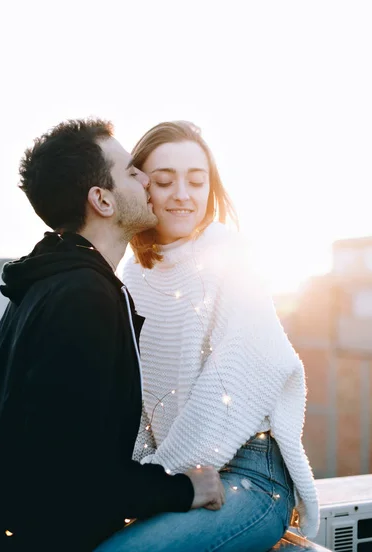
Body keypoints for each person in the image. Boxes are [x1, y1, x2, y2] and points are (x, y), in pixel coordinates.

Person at [0, 119, 225, 552]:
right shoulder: (83, 298)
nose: (146, 178)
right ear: (102, 200)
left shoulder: (44, 285)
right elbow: (71, 476)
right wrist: (185, 488)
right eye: (131, 172)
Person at [97, 121, 320, 552]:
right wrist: (143, 481)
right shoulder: (133, 275)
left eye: (197, 181)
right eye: (164, 181)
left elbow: (230, 389)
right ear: (141, 187)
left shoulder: (229, 256)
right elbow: (139, 403)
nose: (183, 194)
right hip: (181, 477)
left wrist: (160, 483)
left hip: (251, 478)